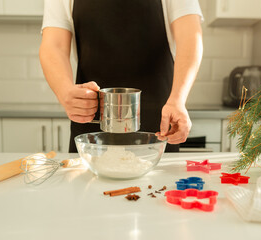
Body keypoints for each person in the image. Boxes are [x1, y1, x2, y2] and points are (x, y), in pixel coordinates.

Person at [39, 0, 203, 152]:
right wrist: (65, 91)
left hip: (159, 125)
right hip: (91, 128)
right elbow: (54, 46)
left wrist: (178, 100)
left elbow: (190, 38)